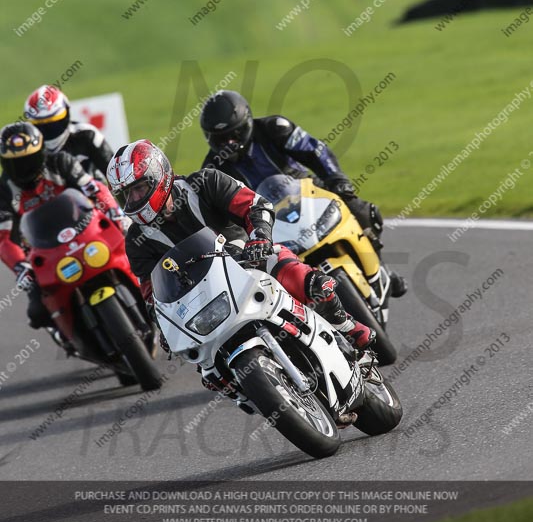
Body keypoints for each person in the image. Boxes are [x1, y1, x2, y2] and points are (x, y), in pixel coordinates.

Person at [106, 139, 376, 398]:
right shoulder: (137, 241)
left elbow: (254, 205)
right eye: (126, 195)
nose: (133, 199)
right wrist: (162, 323)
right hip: (203, 299)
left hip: (250, 260)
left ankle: (348, 328)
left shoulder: (204, 182)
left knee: (306, 280)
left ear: (158, 175)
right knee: (207, 370)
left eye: (138, 188)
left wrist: (259, 236)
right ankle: (249, 393)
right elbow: (151, 290)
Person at [199, 90, 406, 297]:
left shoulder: (275, 128)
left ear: (247, 124)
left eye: (234, 135)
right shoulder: (211, 170)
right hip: (266, 219)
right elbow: (218, 217)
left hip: (307, 192)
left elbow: (316, 151)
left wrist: (337, 178)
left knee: (362, 210)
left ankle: (382, 270)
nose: (229, 144)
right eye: (221, 140)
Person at [0, 122, 125, 335]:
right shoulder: (4, 190)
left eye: (28, 160)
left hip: (84, 230)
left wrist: (114, 211)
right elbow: (4, 239)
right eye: (16, 163)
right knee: (38, 313)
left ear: (40, 152)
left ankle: (151, 297)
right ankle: (66, 335)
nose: (24, 168)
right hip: (40, 251)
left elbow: (95, 188)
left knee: (133, 248)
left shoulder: (61, 162)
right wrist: (21, 267)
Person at [24, 85, 113, 179]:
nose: (48, 131)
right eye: (40, 126)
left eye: (54, 125)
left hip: (89, 192)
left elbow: (114, 173)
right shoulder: (26, 148)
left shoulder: (88, 135)